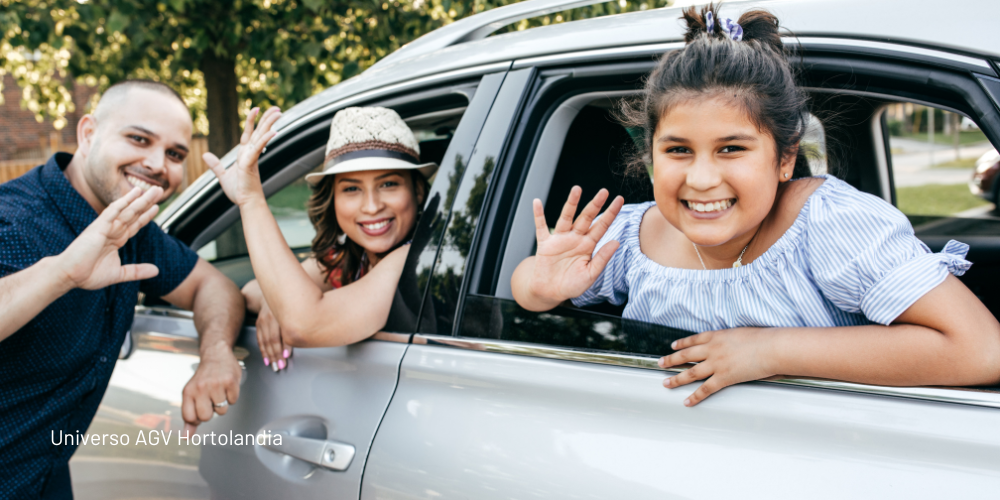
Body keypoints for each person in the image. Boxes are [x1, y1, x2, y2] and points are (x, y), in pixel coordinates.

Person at [511, 5, 1000, 407]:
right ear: (651, 156)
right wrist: (539, 282)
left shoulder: (830, 226)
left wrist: (769, 350)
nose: (702, 179)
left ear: (785, 158)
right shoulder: (630, 237)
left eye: (732, 149)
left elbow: (981, 349)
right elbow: (529, 292)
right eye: (678, 150)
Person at [0, 80, 246, 499]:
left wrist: (216, 352)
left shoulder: (134, 230)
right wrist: (61, 273)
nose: (156, 163)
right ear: (88, 133)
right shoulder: (14, 220)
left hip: (46, 478)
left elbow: (213, 284)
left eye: (174, 154)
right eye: (138, 138)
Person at [206, 106, 433, 368]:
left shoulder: (413, 259)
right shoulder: (350, 259)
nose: (371, 206)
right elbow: (251, 291)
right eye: (351, 188)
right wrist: (276, 301)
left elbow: (304, 323)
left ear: (416, 191)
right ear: (333, 199)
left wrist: (250, 200)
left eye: (388, 184)